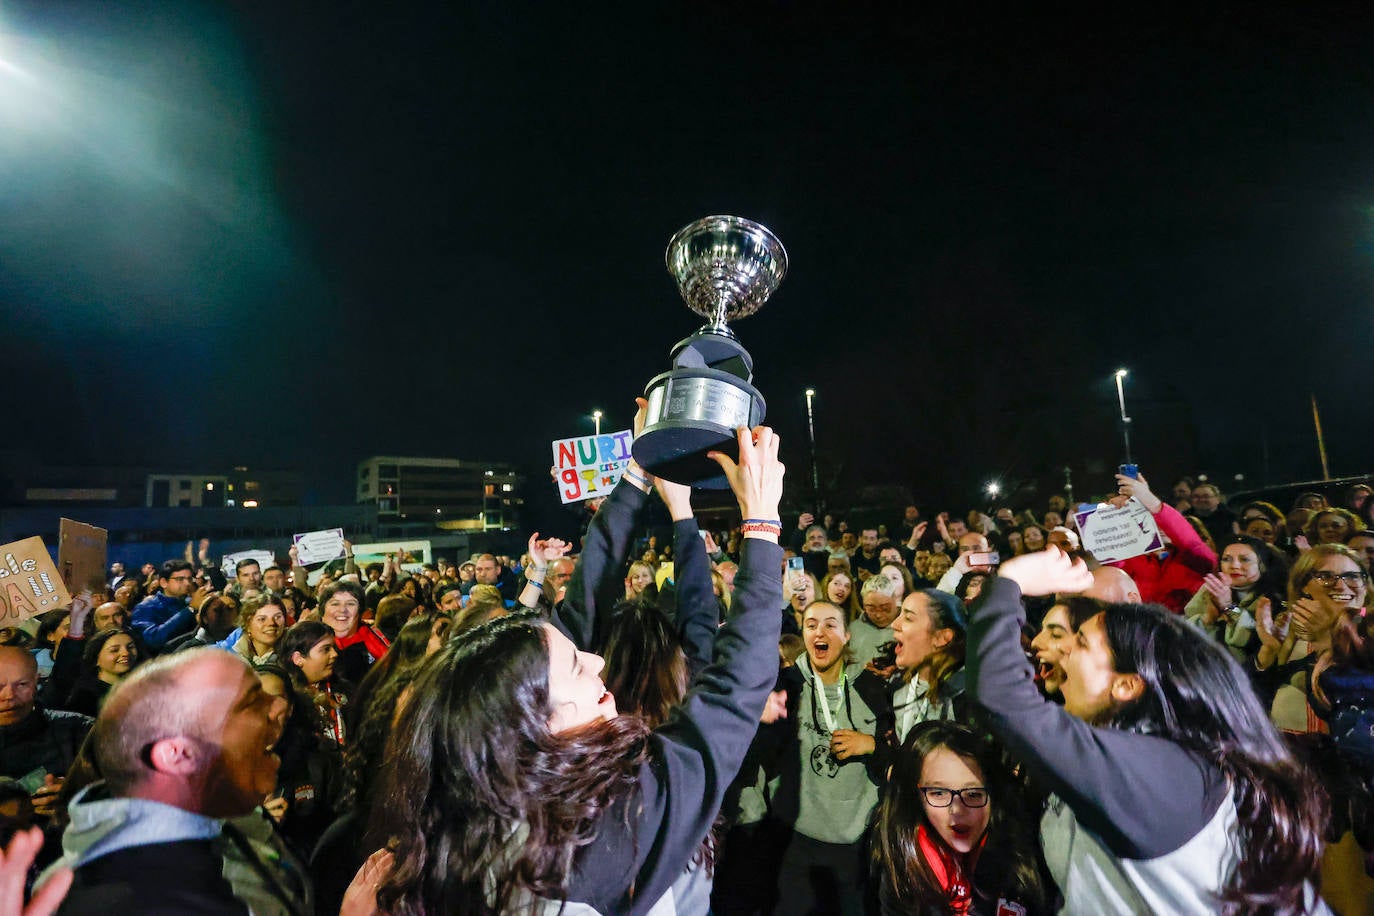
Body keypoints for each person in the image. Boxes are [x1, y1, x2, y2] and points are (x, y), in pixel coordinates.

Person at [360, 424, 784, 914]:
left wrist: (637, 473)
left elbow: (584, 603)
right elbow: (731, 693)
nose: (598, 660)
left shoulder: (462, 821)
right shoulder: (609, 825)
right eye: (577, 668)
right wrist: (761, 523)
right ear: (531, 723)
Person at [969, 547, 1327, 911]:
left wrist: (1009, 582)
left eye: (1080, 644)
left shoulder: (1159, 769)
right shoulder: (1146, 753)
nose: (1063, 653)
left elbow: (1002, 696)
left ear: (1126, 685)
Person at [44, 649, 296, 915]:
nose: (280, 705)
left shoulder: (227, 826)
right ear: (179, 755)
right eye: (249, 701)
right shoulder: (139, 900)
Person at [767, 599, 889, 915]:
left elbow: (902, 758)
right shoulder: (785, 687)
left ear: (847, 635)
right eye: (811, 625)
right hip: (794, 838)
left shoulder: (873, 687)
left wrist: (872, 745)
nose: (820, 631)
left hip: (854, 843)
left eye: (830, 625)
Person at [871, 721, 1049, 915]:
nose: (957, 809)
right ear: (915, 797)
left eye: (973, 794)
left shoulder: (1018, 861)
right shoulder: (903, 872)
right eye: (939, 793)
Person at [0, 647, 90, 823]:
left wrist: (78, 793)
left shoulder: (78, 729)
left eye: (22, 684)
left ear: (36, 682)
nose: (9, 696)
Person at [1110, 472, 1216, 613]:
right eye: (1152, 522)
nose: (1159, 528)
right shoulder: (1134, 560)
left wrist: (1153, 503)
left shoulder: (1196, 558)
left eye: (1162, 523)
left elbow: (1189, 542)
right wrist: (1112, 517)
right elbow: (1113, 569)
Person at [1182, 536, 1283, 665]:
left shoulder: (1274, 597)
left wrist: (1229, 606)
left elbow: (1254, 637)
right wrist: (1208, 619)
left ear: (1262, 565)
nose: (1234, 565)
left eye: (1244, 559)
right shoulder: (1212, 589)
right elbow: (1183, 633)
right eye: (1227, 559)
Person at [889, 589, 970, 741]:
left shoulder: (966, 697)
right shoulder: (898, 684)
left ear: (941, 637)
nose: (894, 624)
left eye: (908, 618)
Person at [279, 622, 350, 747]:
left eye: (334, 648)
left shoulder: (345, 690)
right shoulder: (285, 700)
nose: (334, 654)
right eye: (326, 649)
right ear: (298, 659)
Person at [129, 561, 216, 655]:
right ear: (163, 582)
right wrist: (190, 609)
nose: (187, 583)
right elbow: (153, 640)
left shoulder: (188, 602)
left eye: (189, 579)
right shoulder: (145, 608)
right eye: (180, 579)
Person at [316, 582, 388, 684]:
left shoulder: (375, 640)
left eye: (350, 604)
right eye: (335, 604)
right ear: (322, 611)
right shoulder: (307, 642)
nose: (342, 610)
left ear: (360, 612)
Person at [62, 628, 139, 718]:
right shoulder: (85, 696)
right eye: (114, 650)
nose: (126, 653)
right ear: (96, 659)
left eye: (130, 647)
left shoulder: (143, 686)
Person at [229, 596, 287, 666]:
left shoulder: (292, 657)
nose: (271, 623)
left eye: (277, 617)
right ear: (248, 625)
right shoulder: (231, 658)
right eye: (262, 619)